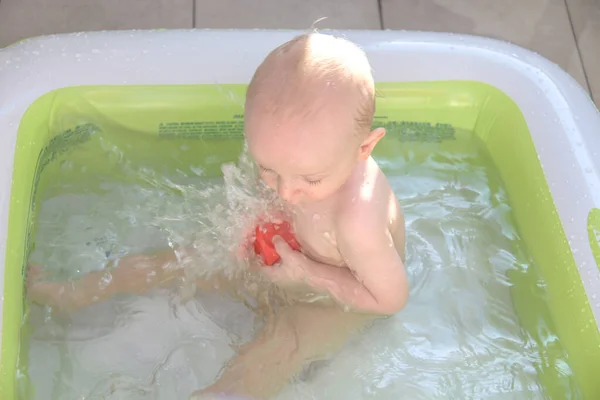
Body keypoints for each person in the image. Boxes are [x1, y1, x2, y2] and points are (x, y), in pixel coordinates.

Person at [27, 32, 409, 400]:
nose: (285, 191)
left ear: (364, 147)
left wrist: (310, 274)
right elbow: (280, 194)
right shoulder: (308, 157)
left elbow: (390, 299)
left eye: (310, 179)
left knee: (281, 345)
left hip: (334, 302)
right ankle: (75, 294)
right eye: (268, 168)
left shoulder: (357, 219)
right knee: (179, 260)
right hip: (289, 264)